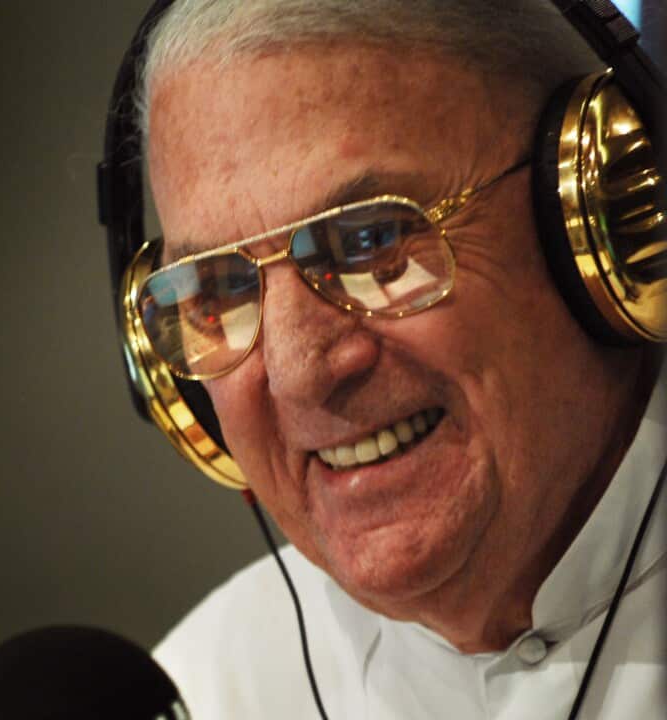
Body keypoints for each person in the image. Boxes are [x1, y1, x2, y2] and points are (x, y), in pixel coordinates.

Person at [112, 1, 667, 717]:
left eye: (370, 239)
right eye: (217, 289)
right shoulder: (207, 689)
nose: (298, 371)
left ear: (597, 212)